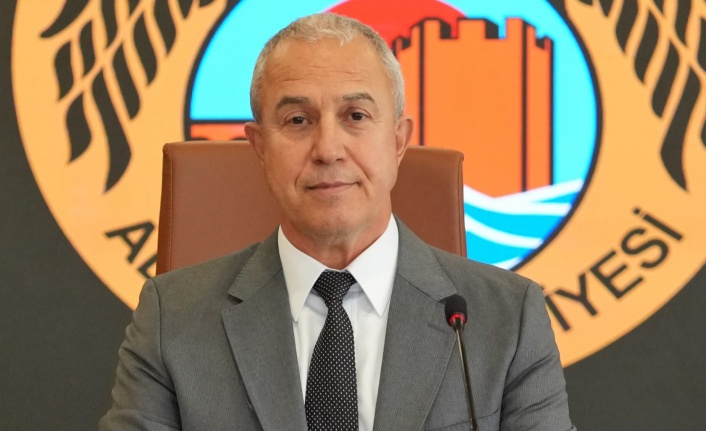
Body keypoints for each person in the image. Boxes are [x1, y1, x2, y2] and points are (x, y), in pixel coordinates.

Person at [100, 13, 576, 431]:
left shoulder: (506, 318)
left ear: (398, 141)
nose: (328, 149)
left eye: (356, 115)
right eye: (297, 120)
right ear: (259, 147)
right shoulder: (172, 319)